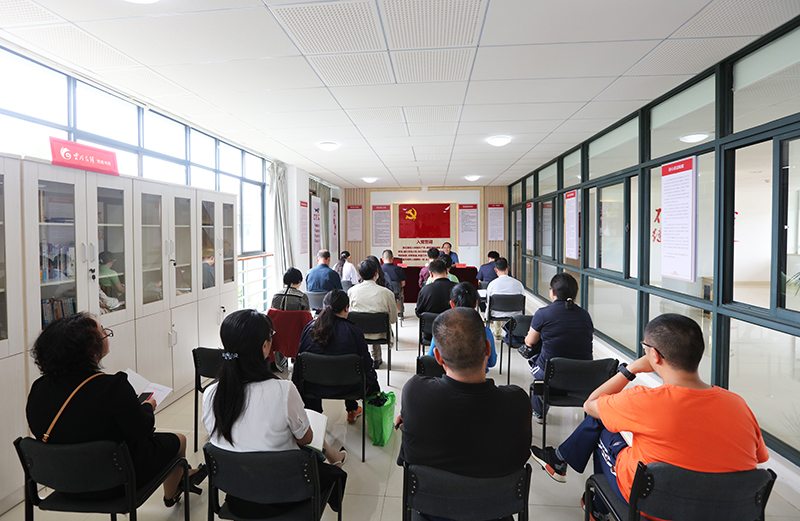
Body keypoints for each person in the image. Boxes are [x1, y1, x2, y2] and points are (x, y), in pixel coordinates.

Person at [530, 314, 769, 521]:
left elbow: (590, 404)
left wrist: (630, 369)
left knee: (602, 425)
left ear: (654, 355)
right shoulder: (738, 404)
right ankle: (564, 467)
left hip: (655, 505)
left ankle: (596, 506)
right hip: (729, 511)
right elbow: (759, 458)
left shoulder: (642, 399)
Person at [26, 313, 207, 505]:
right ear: (91, 350)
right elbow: (141, 430)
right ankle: (173, 492)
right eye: (103, 333)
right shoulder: (112, 387)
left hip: (62, 481)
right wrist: (147, 406)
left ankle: (182, 479)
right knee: (178, 440)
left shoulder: (39, 388)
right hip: (115, 482)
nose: (106, 336)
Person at [203, 309, 347, 517]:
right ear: (264, 346)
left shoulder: (211, 394)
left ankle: (334, 457)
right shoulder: (283, 390)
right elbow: (306, 439)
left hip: (237, 494)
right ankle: (336, 460)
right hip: (286, 494)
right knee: (320, 456)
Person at [396, 308, 531, 521]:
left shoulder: (415, 392)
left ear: (438, 357)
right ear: (488, 348)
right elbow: (520, 457)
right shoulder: (518, 402)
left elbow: (408, 456)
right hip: (494, 513)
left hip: (432, 513)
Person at [293, 290, 380, 423]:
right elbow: (367, 365)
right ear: (346, 308)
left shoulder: (309, 329)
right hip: (350, 387)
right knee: (359, 372)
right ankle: (352, 410)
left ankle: (314, 418)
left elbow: (299, 363)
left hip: (313, 386)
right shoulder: (354, 332)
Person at [524, 273, 593, 422]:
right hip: (584, 375)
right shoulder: (585, 315)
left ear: (553, 292)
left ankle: (539, 412)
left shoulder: (543, 313)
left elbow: (530, 342)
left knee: (534, 362)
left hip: (551, 373)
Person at [427, 282, 497, 374]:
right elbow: (492, 362)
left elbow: (431, 358)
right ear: (476, 303)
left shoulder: (440, 331)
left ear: (452, 304)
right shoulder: (485, 332)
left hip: (448, 378)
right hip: (478, 379)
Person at [347, 260, 397, 369]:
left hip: (357, 334)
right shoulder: (387, 293)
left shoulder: (351, 291)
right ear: (376, 274)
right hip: (381, 334)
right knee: (373, 324)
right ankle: (376, 359)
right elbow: (393, 319)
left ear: (360, 274)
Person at [415, 260, 457, 343]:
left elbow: (419, 312)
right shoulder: (457, 288)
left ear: (431, 274)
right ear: (446, 271)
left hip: (430, 333)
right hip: (452, 333)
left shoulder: (425, 290)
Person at [485, 257, 525, 337]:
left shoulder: (492, 284)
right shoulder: (518, 284)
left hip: (497, 313)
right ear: (508, 268)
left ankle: (497, 333)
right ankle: (511, 334)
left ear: (496, 270)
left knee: (493, 307)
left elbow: (489, 302)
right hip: (515, 313)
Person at [381, 249, 406, 317]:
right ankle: (400, 312)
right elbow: (403, 284)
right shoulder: (399, 269)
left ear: (382, 258)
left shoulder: (379, 269)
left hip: (383, 293)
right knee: (400, 292)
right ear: (392, 258)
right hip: (396, 292)